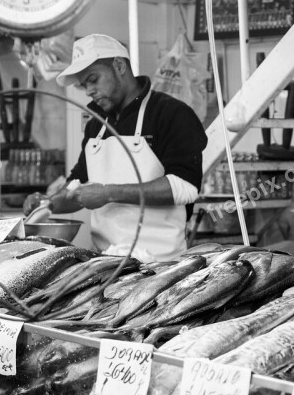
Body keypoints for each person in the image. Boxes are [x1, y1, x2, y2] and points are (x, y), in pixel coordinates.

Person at [23, 34, 207, 262]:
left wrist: (109, 193)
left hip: (161, 263)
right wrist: (47, 203)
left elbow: (185, 187)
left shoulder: (171, 114)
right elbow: (77, 185)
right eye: (84, 85)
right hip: (105, 261)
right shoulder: (95, 125)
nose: (89, 91)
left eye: (93, 79)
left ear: (119, 66)